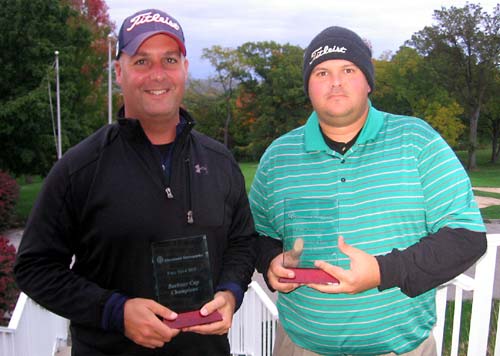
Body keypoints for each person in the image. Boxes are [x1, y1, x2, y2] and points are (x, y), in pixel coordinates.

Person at [14, 8, 256, 356]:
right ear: (119, 71)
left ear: (185, 68)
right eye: (142, 61)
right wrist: (114, 311)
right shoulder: (80, 168)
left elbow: (242, 242)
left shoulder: (219, 161)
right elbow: (34, 268)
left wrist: (232, 291)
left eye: (169, 60)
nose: (157, 75)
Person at [249, 26, 487, 356]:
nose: (335, 82)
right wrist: (271, 261)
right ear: (308, 86)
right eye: (322, 72)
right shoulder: (279, 157)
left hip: (402, 349)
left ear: (369, 81)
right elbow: (257, 234)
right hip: (300, 346)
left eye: (348, 69)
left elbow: (467, 237)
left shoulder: (417, 142)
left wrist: (380, 271)